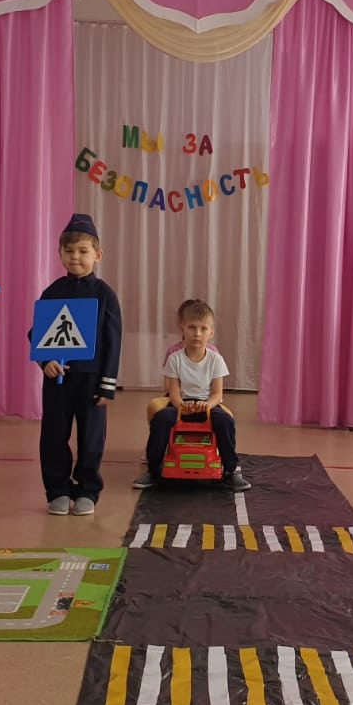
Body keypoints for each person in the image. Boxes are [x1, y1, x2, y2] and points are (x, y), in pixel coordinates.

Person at [36, 214, 122, 516]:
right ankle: (57, 489)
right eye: (69, 251)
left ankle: (88, 490)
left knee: (91, 438)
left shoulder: (105, 295)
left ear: (97, 255)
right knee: (53, 435)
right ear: (60, 253)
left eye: (83, 251)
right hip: (58, 379)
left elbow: (113, 341)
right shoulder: (52, 292)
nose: (76, 257)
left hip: (92, 380)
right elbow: (37, 333)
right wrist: (45, 362)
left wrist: (107, 385)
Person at [133, 299, 251, 492]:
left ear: (211, 333)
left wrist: (207, 405)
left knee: (225, 421)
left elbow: (217, 393)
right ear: (183, 329)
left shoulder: (216, 360)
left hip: (208, 405)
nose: (197, 333)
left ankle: (231, 471)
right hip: (182, 405)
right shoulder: (174, 359)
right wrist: (181, 405)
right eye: (192, 327)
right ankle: (153, 470)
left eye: (203, 329)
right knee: (161, 419)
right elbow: (173, 392)